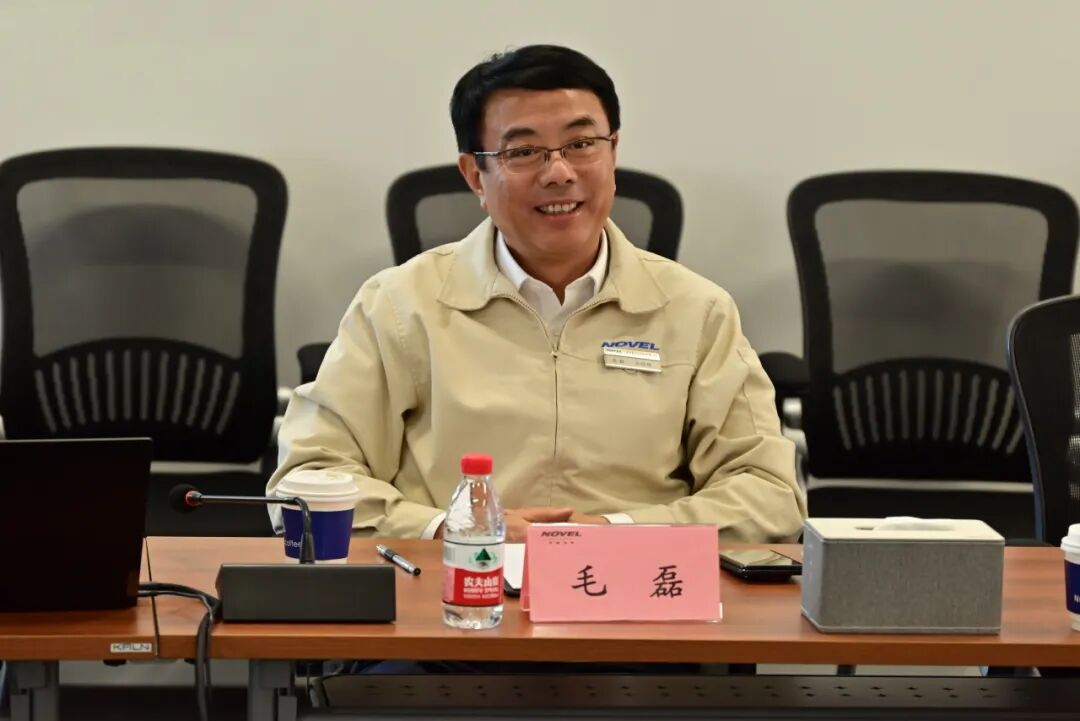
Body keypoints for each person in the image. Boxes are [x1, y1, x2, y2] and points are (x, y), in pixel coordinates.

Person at [269, 44, 806, 544]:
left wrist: (612, 534)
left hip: (637, 599)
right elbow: (306, 481)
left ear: (613, 152)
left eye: (581, 144)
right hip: (450, 593)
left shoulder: (696, 311)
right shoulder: (400, 305)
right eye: (523, 151)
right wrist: (459, 531)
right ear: (474, 176)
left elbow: (770, 495)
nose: (559, 172)